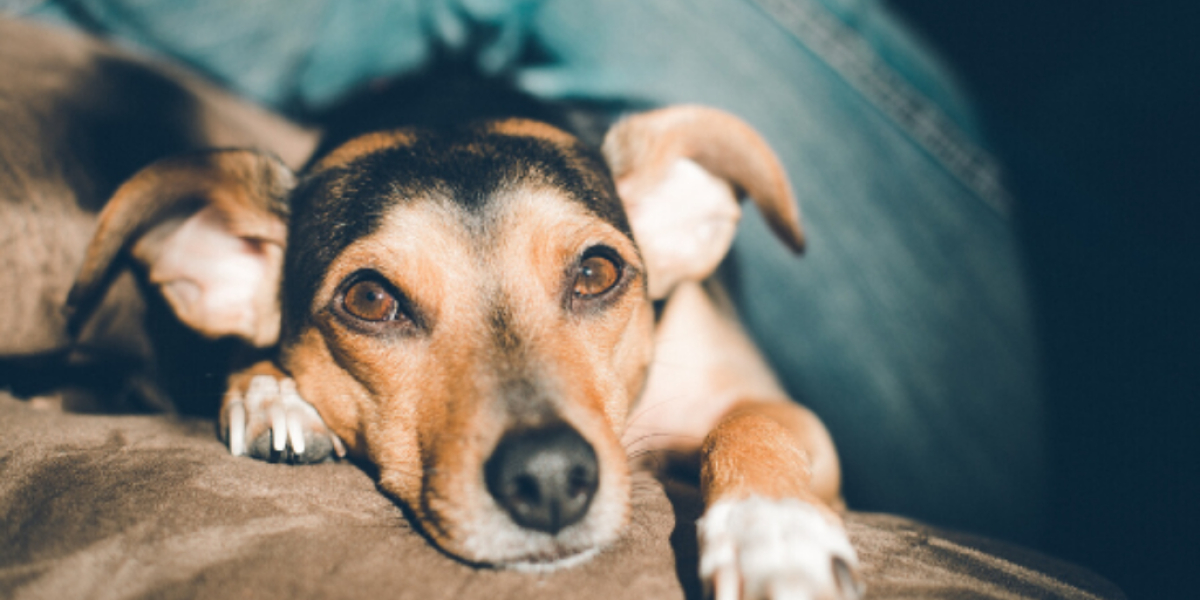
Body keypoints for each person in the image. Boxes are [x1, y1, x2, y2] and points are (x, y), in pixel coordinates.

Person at [9, 0, 1046, 543]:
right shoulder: (276, 272)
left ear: (681, 226)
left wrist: (764, 486)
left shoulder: (651, 260)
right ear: (232, 273)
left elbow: (771, 423)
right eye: (379, 300)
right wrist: (277, 373)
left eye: (592, 278)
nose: (538, 434)